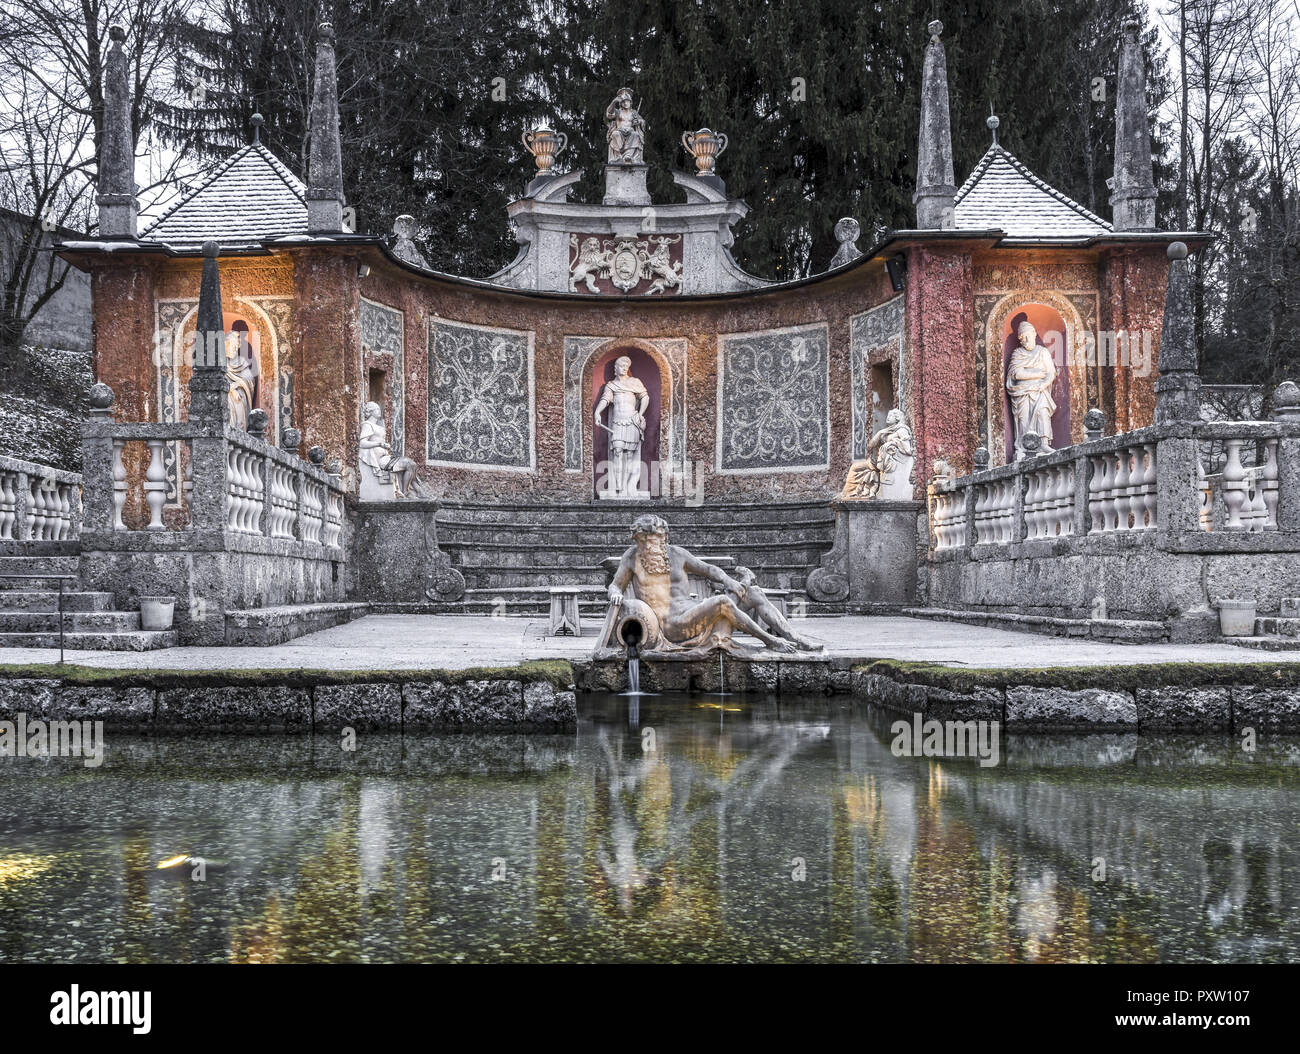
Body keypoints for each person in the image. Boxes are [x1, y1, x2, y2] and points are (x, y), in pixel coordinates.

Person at [606, 514, 796, 653]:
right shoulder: (631, 558)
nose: (648, 546)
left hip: (694, 612)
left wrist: (728, 580)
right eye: (643, 541)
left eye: (653, 539)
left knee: (753, 592)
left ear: (664, 538)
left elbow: (709, 570)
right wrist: (615, 593)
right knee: (721, 601)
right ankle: (770, 640)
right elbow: (615, 585)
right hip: (672, 625)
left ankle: (793, 637)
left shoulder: (678, 554)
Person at [1006, 319, 1058, 459]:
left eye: (1026, 335)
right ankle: (1024, 447)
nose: (1024, 339)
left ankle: (1044, 443)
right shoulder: (1017, 353)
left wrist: (1042, 383)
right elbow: (1017, 374)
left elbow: (1051, 373)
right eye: (1021, 337)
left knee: (1042, 413)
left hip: (1040, 390)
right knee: (1023, 418)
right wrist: (1038, 374)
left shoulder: (1042, 352)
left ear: (1034, 334)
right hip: (1022, 393)